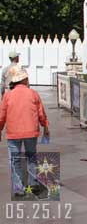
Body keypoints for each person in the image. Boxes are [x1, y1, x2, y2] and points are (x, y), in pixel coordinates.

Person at [0, 66, 49, 197]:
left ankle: (18, 187)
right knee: (31, 157)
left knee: (15, 160)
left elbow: (1, 116)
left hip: (13, 132)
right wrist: (45, 126)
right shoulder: (33, 93)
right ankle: (33, 184)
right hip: (30, 132)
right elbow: (41, 114)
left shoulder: (7, 95)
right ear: (24, 80)